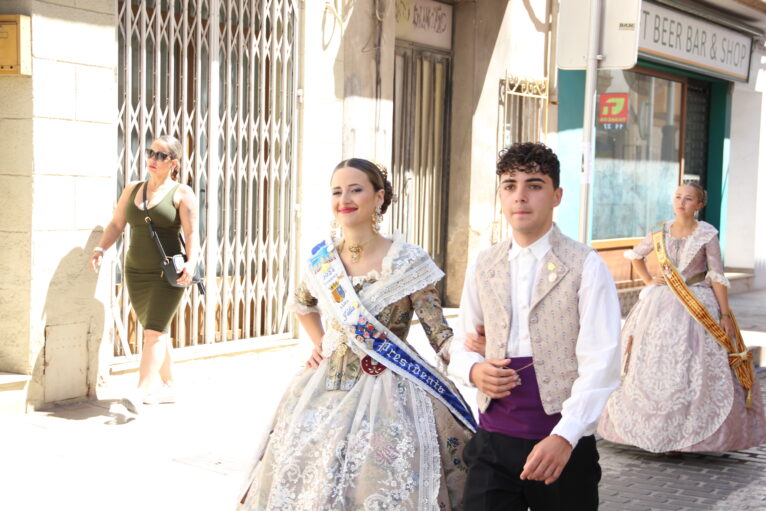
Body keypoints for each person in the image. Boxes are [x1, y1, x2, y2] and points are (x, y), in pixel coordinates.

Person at [238, 158, 475, 510]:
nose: (344, 199)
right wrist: (322, 344)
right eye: (337, 191)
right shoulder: (323, 260)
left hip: (393, 393)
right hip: (324, 387)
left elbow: (439, 334)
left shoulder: (409, 261)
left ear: (379, 197)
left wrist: (471, 357)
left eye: (355, 189)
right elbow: (302, 304)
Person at [448, 142, 622, 511]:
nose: (520, 197)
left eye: (534, 185)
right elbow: (460, 343)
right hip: (493, 441)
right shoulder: (485, 263)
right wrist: (474, 369)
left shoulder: (585, 265)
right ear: (500, 195)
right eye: (510, 186)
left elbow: (602, 363)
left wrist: (566, 436)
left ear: (557, 195)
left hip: (561, 443)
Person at [598, 182, 766, 453]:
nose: (681, 203)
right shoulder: (659, 231)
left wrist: (724, 314)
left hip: (698, 304)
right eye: (678, 197)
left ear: (699, 205)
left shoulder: (707, 234)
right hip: (661, 304)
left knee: (692, 365)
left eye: (688, 199)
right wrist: (648, 281)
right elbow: (636, 256)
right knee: (655, 364)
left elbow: (717, 275)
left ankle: (689, 435)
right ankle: (653, 431)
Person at [90, 135, 200, 414]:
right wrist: (101, 248)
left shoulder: (182, 193)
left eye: (161, 156)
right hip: (135, 271)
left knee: (152, 333)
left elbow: (192, 234)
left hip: (166, 273)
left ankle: (140, 392)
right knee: (158, 331)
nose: (153, 159)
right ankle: (171, 386)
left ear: (173, 163)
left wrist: (192, 263)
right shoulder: (132, 189)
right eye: (151, 153)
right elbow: (117, 223)